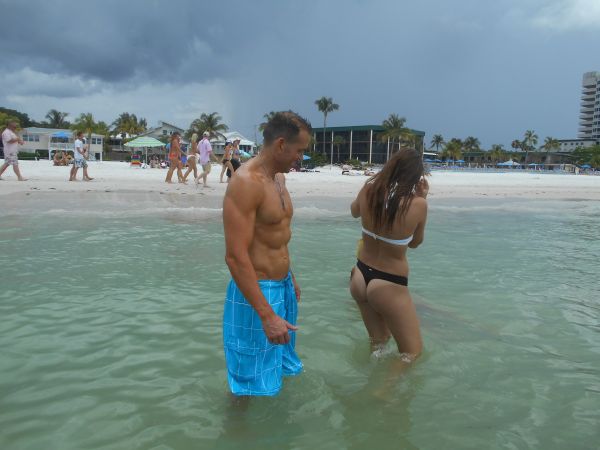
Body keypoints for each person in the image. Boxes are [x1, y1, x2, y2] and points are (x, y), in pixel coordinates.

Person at [222, 111, 311, 396]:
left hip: (281, 286)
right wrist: (266, 314)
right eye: (299, 150)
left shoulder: (279, 179)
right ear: (282, 144)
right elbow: (235, 256)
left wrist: (290, 276)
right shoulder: (246, 183)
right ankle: (238, 435)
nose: (301, 157)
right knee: (248, 381)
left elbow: (277, 236)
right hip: (257, 293)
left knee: (277, 370)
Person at [349, 148, 429, 375]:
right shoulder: (417, 205)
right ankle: (380, 394)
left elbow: (354, 211)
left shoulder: (369, 189)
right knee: (411, 353)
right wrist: (421, 197)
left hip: (360, 275)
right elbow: (414, 243)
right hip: (388, 283)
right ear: (416, 177)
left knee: (379, 343)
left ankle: (370, 376)